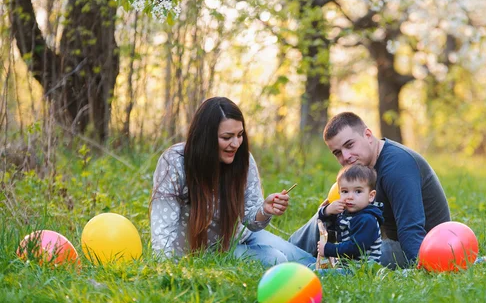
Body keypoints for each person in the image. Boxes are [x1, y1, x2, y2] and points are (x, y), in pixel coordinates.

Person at [150, 96, 315, 267]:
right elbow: (163, 228)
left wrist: (265, 209)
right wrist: (165, 268)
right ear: (206, 137)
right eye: (227, 137)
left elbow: (251, 219)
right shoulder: (174, 162)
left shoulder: (243, 159)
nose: (236, 143)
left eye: (240, 135)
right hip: (208, 251)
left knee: (304, 260)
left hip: (240, 235)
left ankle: (335, 271)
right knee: (277, 259)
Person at [290, 112, 451, 269]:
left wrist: (422, 267)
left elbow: (411, 229)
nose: (345, 157)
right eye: (337, 153)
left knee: (361, 255)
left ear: (367, 135)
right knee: (326, 213)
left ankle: (312, 267)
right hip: (385, 236)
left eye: (349, 145)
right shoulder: (364, 169)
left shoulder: (397, 166)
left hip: (424, 245)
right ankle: (288, 251)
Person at [316, 164, 383, 264]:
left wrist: (328, 249)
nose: (350, 196)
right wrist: (327, 211)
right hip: (345, 267)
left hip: (360, 270)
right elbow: (326, 224)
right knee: (311, 268)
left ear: (371, 196)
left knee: (317, 274)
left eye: (358, 191)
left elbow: (355, 248)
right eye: (345, 191)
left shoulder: (368, 219)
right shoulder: (345, 214)